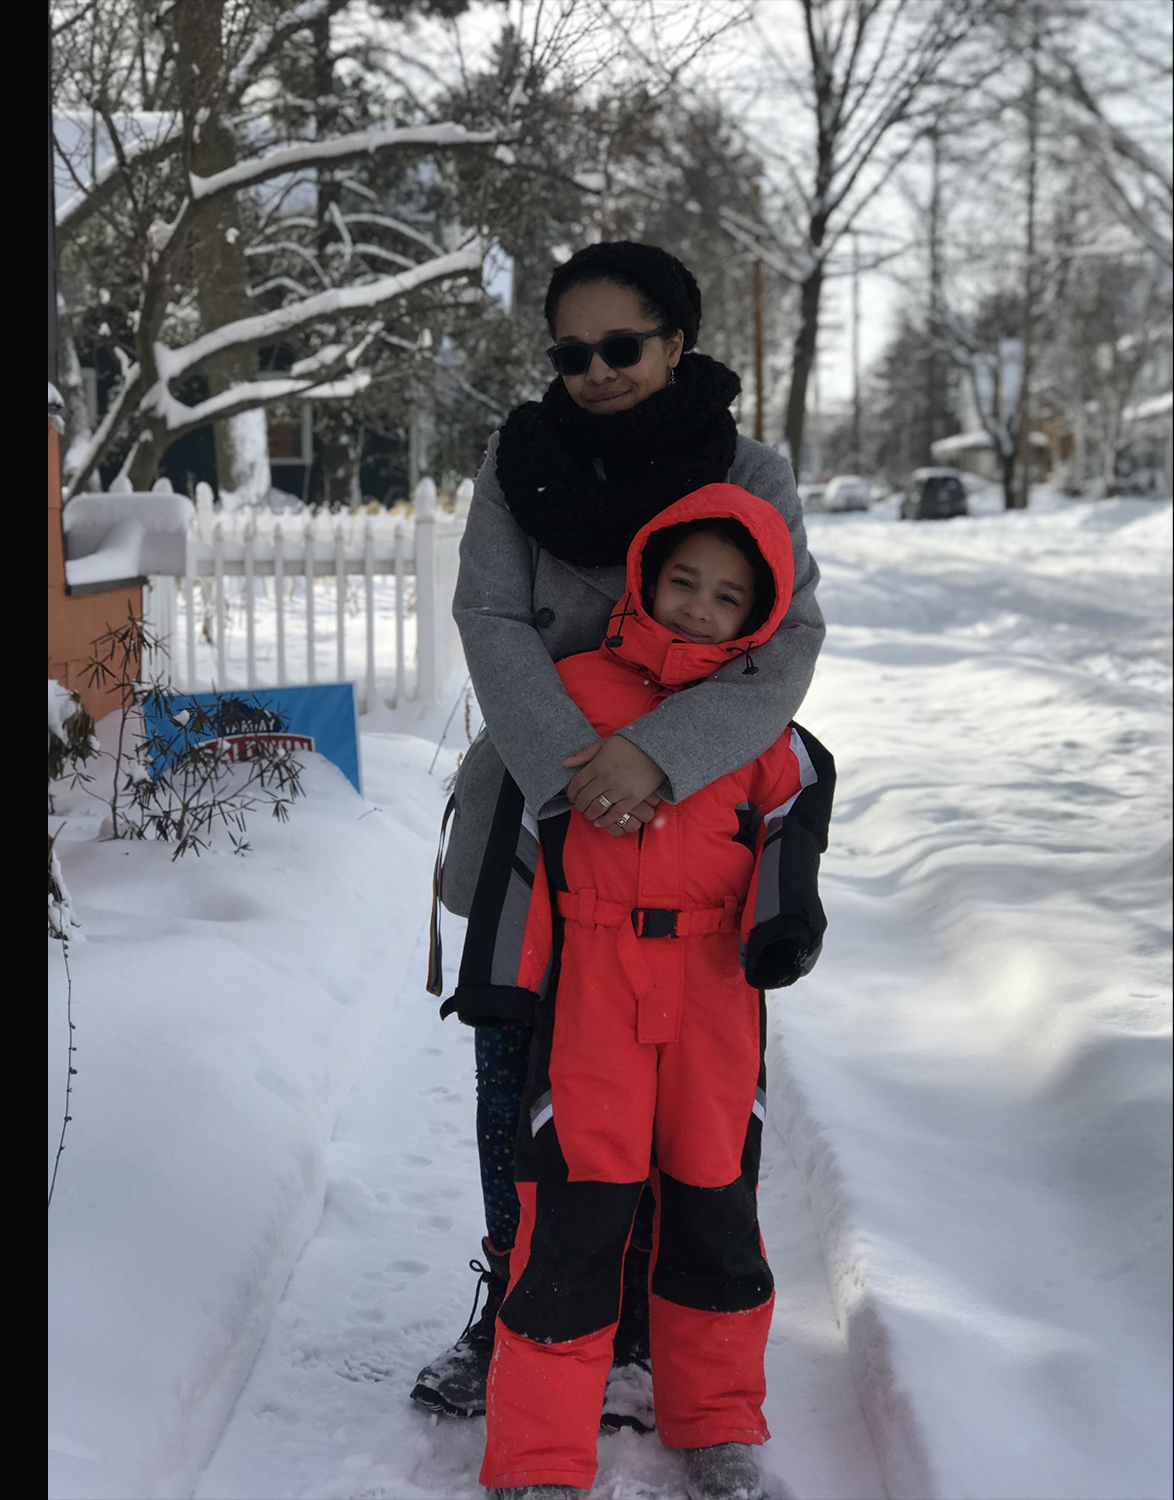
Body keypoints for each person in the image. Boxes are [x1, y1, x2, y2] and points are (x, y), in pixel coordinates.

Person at [412, 243, 828, 1438]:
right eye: (570, 351)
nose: (592, 372)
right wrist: (574, 772)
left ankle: (643, 1318)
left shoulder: (750, 470)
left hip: (695, 827)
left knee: (672, 1090)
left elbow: (786, 639)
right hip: (541, 819)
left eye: (620, 347)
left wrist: (661, 756)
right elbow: (488, 612)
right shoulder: (520, 457)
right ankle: (517, 1302)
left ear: (678, 342)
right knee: (518, 1073)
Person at [476, 485, 831, 1500]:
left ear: (755, 616)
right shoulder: (570, 693)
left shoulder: (755, 723)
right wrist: (505, 980)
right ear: (645, 576)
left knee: (717, 1201)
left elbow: (789, 828)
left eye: (727, 596)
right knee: (576, 1207)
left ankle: (717, 1421)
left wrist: (781, 927)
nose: (698, 607)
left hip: (717, 993)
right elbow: (522, 842)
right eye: (683, 580)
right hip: (593, 987)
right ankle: (540, 1453)